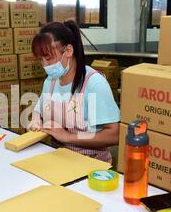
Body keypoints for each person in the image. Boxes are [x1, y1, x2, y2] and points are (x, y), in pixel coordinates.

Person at [28, 20, 120, 164]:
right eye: (41, 60)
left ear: (68, 51)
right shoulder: (51, 81)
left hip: (91, 163)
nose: (45, 66)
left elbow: (115, 135)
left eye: (49, 58)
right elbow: (38, 110)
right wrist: (35, 121)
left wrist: (67, 137)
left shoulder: (94, 83)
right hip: (59, 158)